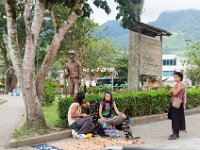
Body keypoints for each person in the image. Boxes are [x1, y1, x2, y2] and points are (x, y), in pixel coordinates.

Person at [168, 72, 186, 140]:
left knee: (176, 118)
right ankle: (175, 133)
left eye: (176, 77)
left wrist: (172, 90)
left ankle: (175, 134)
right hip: (174, 102)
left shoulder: (180, 85)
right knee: (174, 118)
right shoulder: (176, 85)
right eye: (174, 77)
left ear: (180, 78)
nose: (174, 78)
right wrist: (172, 91)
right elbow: (169, 93)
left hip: (177, 103)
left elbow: (174, 93)